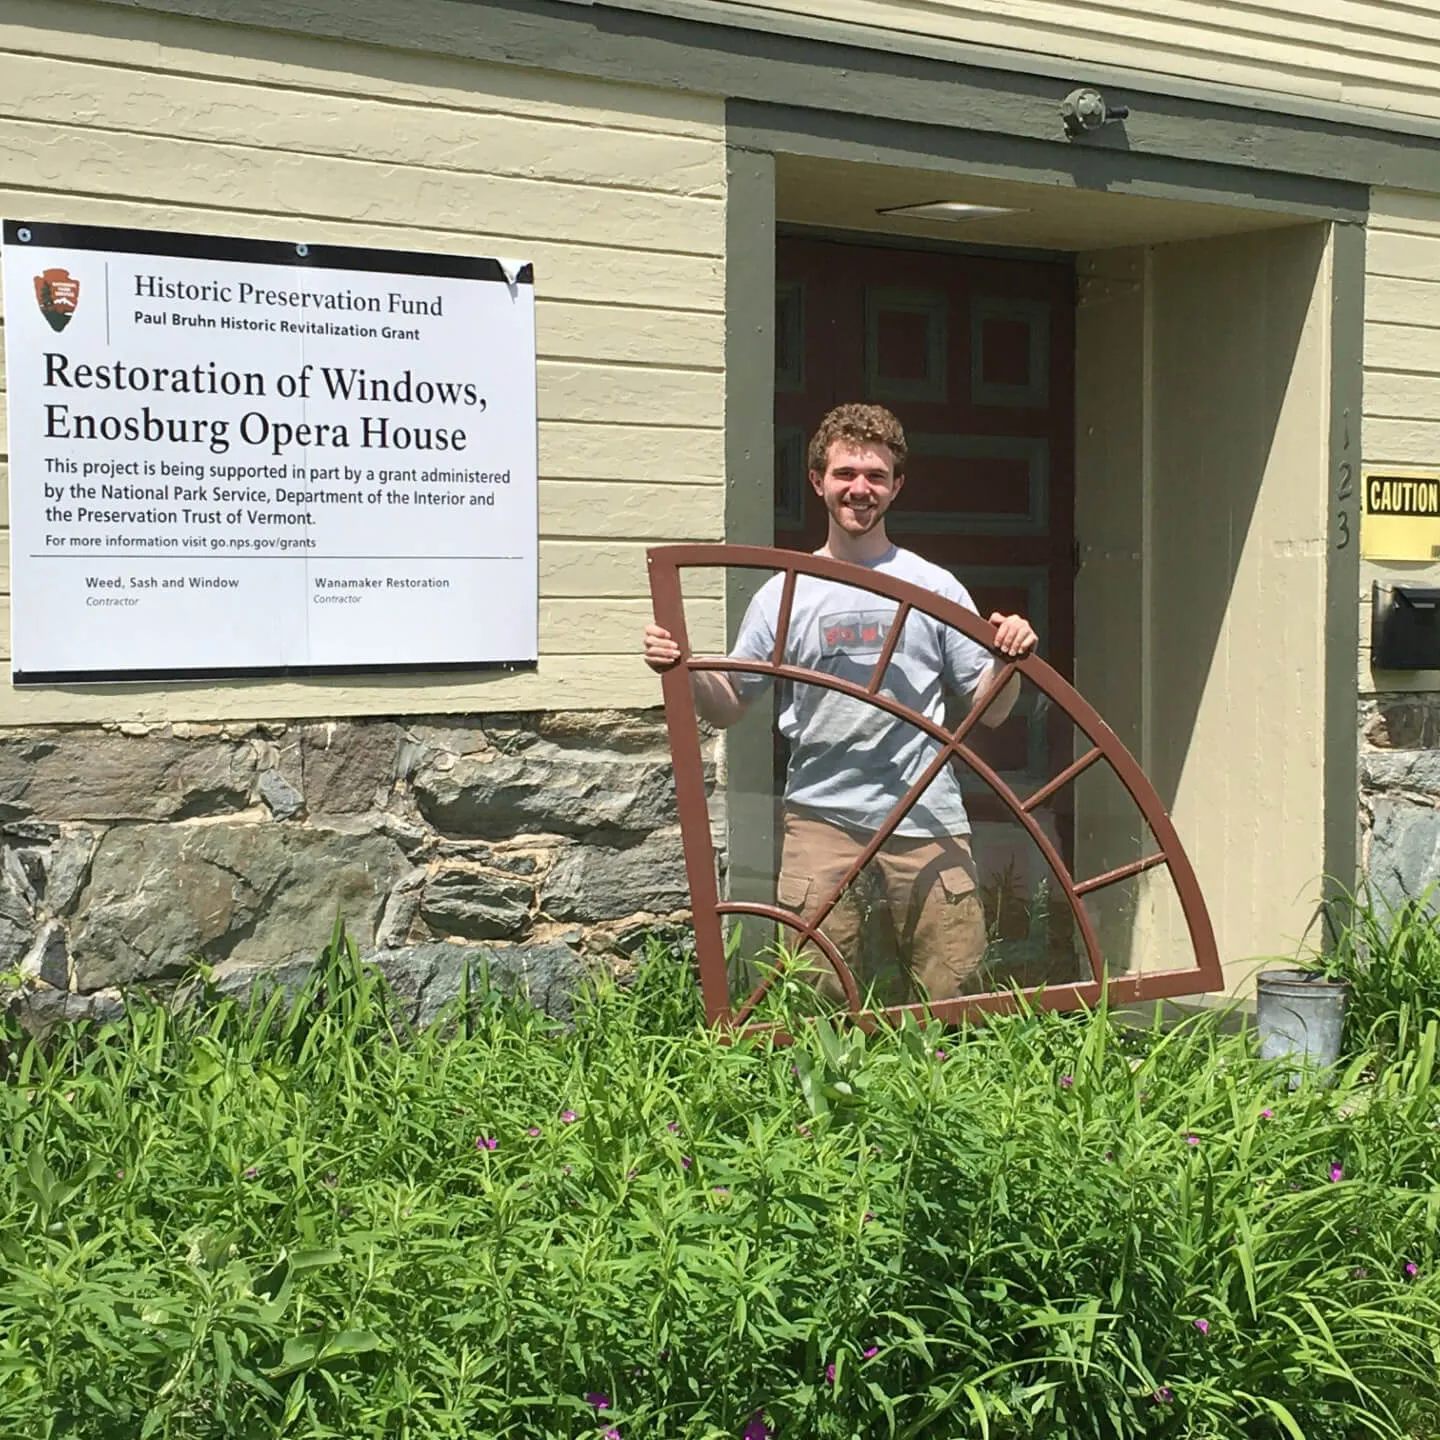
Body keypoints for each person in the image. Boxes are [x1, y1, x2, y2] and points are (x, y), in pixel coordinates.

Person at [643, 403, 1037, 1007]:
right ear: (818, 482)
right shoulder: (785, 592)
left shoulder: (933, 586)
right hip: (822, 818)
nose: (861, 489)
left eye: (876, 476)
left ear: (897, 486)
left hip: (926, 816)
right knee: (812, 998)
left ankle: (945, 1099)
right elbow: (729, 706)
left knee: (955, 993)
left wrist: (1011, 663)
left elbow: (993, 709)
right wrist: (685, 668)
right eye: (846, 473)